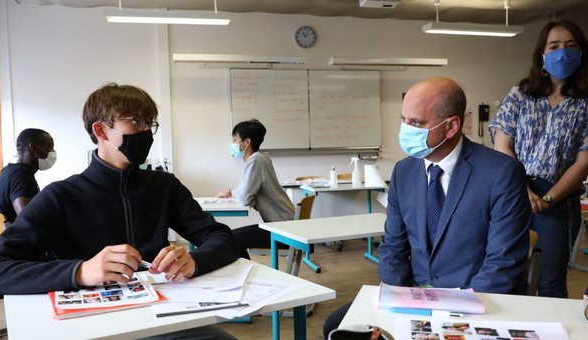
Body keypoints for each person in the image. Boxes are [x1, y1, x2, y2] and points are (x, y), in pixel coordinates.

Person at [0, 83, 240, 340]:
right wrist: (79, 271)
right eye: (135, 121)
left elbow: (223, 239)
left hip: (161, 317)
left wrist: (195, 261)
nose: (146, 131)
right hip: (90, 324)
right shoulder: (61, 196)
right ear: (101, 130)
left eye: (149, 123)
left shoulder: (164, 186)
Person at [323, 77, 531, 338]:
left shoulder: (501, 173)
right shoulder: (404, 172)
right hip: (413, 297)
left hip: (475, 303)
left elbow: (503, 262)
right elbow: (393, 246)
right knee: (335, 326)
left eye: (416, 123)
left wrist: (457, 315)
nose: (405, 129)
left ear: (452, 126)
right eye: (404, 119)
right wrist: (395, 298)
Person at [489, 19, 588, 298]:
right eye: (554, 46)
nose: (562, 52)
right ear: (542, 55)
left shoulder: (585, 102)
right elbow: (502, 145)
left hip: (557, 201)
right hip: (513, 193)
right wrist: (523, 190)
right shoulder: (521, 93)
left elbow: (583, 163)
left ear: (582, 52)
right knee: (508, 277)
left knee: (550, 282)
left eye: (571, 46)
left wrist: (546, 199)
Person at [216, 119, 295, 259]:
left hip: (283, 230)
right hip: (284, 225)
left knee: (230, 238)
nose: (233, 144)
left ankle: (245, 276)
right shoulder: (258, 159)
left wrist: (230, 192)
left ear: (247, 142)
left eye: (235, 139)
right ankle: (244, 275)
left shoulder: (256, 160)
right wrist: (233, 192)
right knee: (230, 237)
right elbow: (245, 191)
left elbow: (244, 198)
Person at [0, 128, 56, 223]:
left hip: (5, 235)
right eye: (50, 146)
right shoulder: (22, 176)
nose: (53, 151)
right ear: (33, 148)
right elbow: (28, 220)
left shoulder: (8, 170)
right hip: (17, 237)